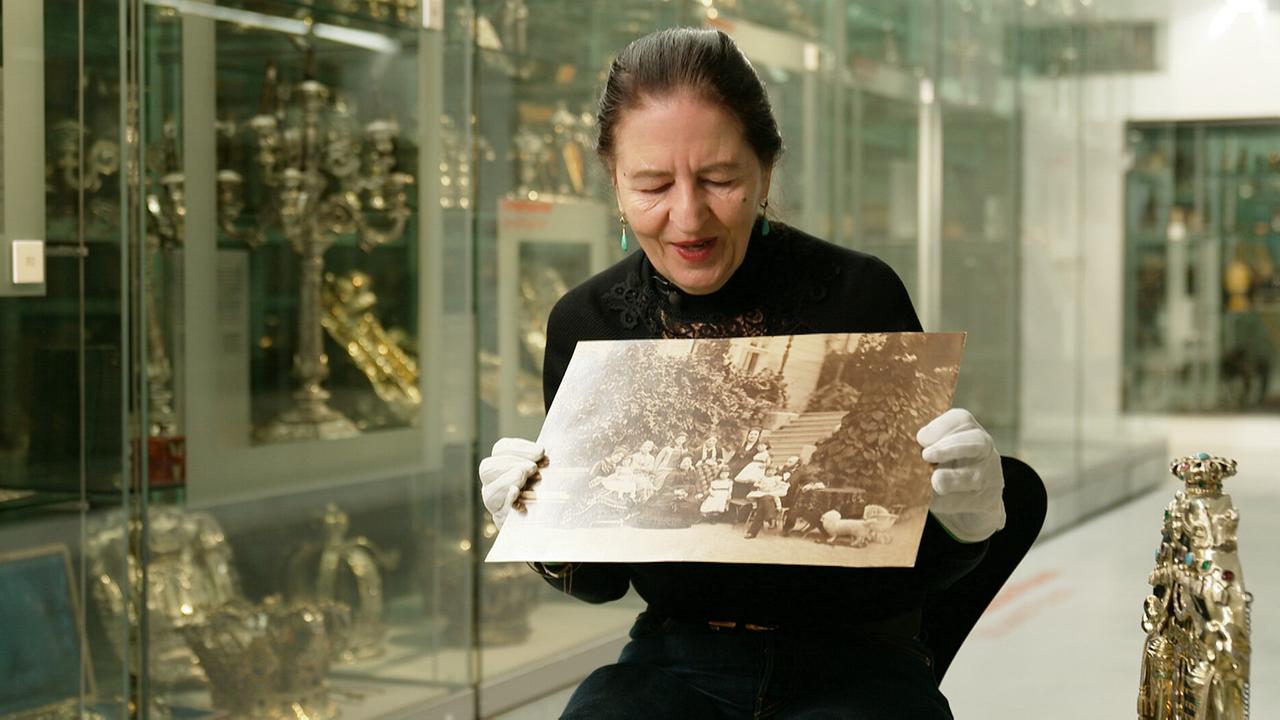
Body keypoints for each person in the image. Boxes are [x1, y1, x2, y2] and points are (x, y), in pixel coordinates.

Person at [477, 27, 1006, 719]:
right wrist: (536, 521)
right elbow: (602, 582)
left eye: (720, 179)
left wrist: (968, 516)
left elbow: (917, 566)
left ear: (766, 172)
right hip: (676, 657)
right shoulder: (590, 320)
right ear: (613, 183)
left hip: (853, 659)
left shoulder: (858, 294)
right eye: (652, 185)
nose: (688, 216)